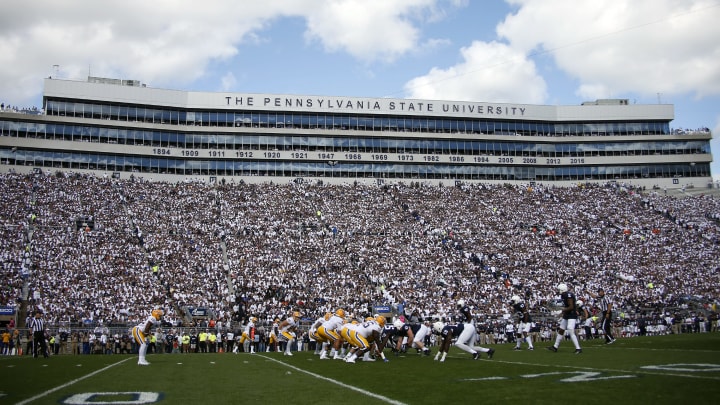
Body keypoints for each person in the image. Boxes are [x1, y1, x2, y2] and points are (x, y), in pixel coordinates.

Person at [547, 283, 582, 354]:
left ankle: (578, 348)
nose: (558, 290)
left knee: (570, 330)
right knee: (561, 330)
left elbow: (571, 307)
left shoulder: (568, 295)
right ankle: (555, 347)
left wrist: (561, 310)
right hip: (567, 314)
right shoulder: (564, 295)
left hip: (571, 314)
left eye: (559, 289)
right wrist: (561, 312)